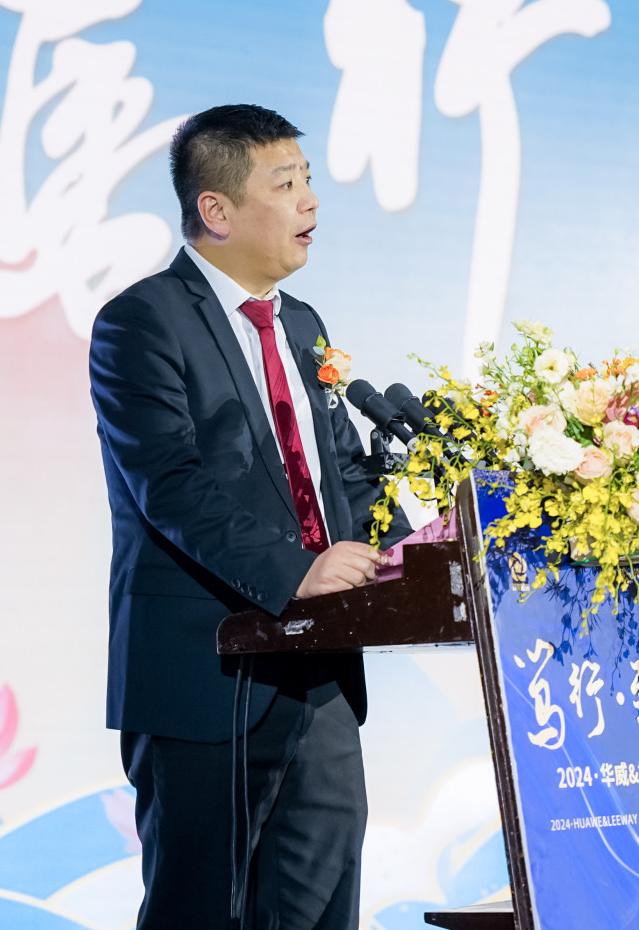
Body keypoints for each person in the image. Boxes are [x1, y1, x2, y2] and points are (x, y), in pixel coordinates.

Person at [89, 103, 406, 930]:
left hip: (320, 675)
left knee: (321, 908)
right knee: (199, 912)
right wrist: (299, 570)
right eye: (286, 183)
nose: (310, 200)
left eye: (309, 180)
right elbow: (171, 484)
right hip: (209, 675)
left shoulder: (301, 324)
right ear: (217, 209)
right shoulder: (140, 322)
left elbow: (341, 473)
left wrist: (418, 553)